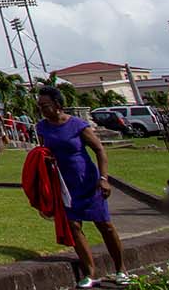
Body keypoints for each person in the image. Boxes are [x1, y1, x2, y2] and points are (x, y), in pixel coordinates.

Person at [35, 85, 129, 287]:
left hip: (87, 180)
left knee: (105, 225)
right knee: (73, 226)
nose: (42, 109)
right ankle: (90, 271)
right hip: (64, 183)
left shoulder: (77, 125)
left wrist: (104, 178)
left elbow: (99, 149)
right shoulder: (42, 127)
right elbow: (43, 153)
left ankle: (121, 268)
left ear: (58, 105)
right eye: (39, 106)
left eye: (45, 105)